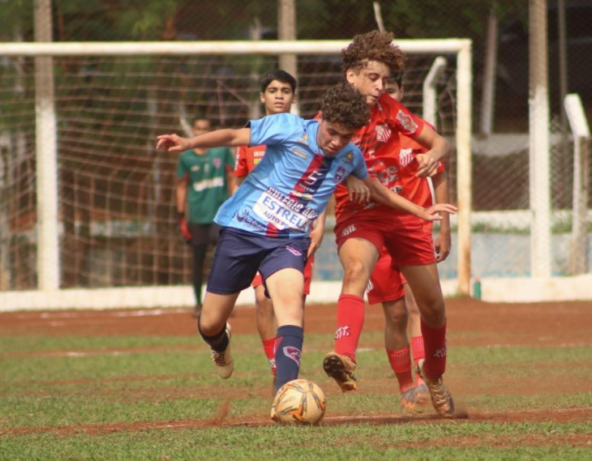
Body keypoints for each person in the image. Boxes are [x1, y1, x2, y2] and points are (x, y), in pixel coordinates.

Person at [156, 83, 456, 414]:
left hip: (288, 242)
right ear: (321, 118)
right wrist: (188, 143)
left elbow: (377, 189)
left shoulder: (349, 156)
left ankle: (284, 396)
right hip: (242, 230)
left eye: (346, 136)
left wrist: (419, 211)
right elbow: (231, 137)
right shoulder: (288, 126)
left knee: (291, 308)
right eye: (332, 132)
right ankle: (219, 342)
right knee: (210, 322)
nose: (336, 141)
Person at [322, 30, 457, 418]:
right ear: (351, 76)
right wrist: (346, 178)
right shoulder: (333, 114)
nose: (381, 87)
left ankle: (434, 376)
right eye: (373, 78)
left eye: (385, 80)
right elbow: (316, 155)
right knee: (357, 271)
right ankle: (344, 355)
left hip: (405, 216)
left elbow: (441, 142)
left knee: (432, 308)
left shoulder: (389, 109)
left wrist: (434, 153)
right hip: (360, 216)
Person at [365, 71, 452, 410]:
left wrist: (443, 228)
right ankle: (406, 384)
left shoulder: (416, 131)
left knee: (423, 305)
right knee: (396, 312)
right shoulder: (366, 134)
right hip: (377, 230)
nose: (384, 92)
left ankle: (429, 377)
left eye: (391, 88)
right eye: (380, 88)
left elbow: (441, 174)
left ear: (400, 92)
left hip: (416, 228)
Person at [234, 70, 327, 380]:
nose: (278, 95)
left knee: (292, 304)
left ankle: (288, 366)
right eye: (272, 90)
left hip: (297, 232)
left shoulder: (310, 134)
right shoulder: (249, 137)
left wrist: (321, 222)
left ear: (294, 97)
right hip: (258, 232)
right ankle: (278, 370)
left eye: (285, 90)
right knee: (262, 298)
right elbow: (238, 183)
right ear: (262, 97)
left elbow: (324, 181)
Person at [175, 116, 235, 318]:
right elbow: (181, 185)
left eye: (205, 129)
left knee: (223, 260)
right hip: (197, 217)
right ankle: (198, 303)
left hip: (220, 216)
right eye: (198, 129)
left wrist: (235, 204)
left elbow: (231, 177)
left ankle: (224, 303)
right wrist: (181, 216)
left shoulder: (221, 151)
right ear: (193, 130)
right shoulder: (186, 157)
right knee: (198, 261)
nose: (201, 132)